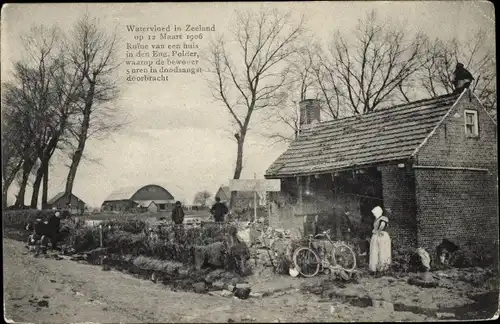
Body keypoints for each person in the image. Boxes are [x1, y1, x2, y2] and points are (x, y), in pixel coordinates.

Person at [369, 206, 391, 273]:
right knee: (375, 251)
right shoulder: (377, 219)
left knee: (382, 250)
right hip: (377, 236)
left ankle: (382, 267)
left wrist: (377, 231)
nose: (374, 214)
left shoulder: (383, 218)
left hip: (382, 235)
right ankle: (375, 267)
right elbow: (376, 227)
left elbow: (382, 225)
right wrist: (374, 230)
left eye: (375, 213)